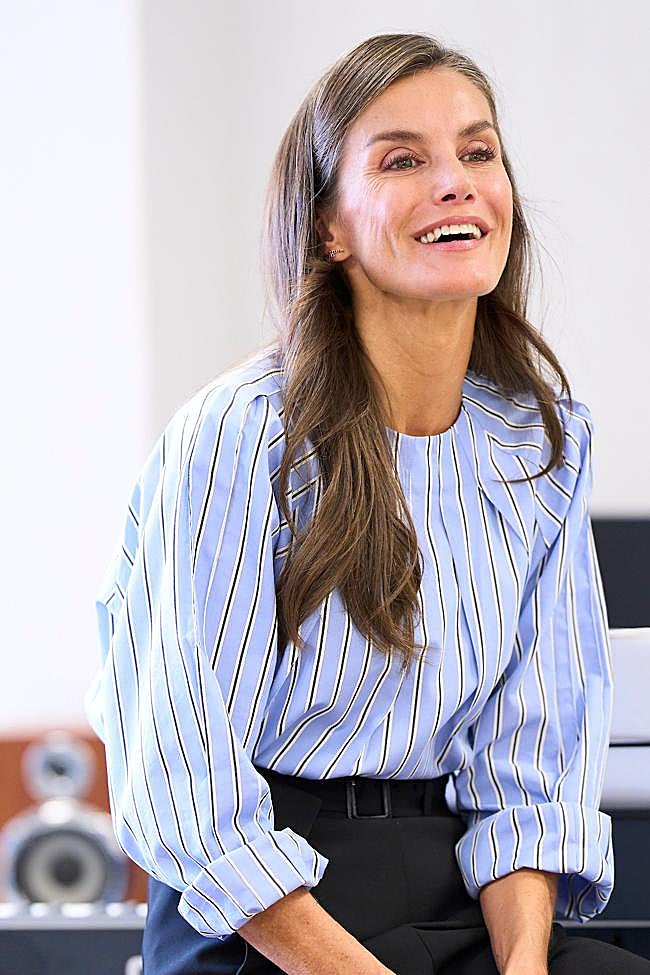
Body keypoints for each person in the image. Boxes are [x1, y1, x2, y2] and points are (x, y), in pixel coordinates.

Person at [85, 32, 650, 975]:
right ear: (329, 228)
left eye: (478, 152)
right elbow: (181, 779)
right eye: (403, 160)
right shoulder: (239, 434)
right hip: (263, 912)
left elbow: (533, 761)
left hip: (453, 893)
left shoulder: (542, 442)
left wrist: (526, 970)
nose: (458, 180)